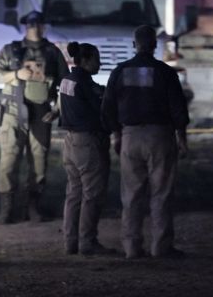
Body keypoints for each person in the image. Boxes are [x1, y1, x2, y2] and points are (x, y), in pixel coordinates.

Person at [102, 25, 190, 259]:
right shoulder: (165, 72)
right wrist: (182, 136)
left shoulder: (120, 71)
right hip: (160, 136)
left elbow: (108, 105)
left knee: (131, 194)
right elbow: (177, 106)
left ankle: (131, 247)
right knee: (161, 192)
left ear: (134, 45)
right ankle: (161, 246)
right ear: (154, 45)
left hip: (130, 136)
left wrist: (116, 134)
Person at [0, 10, 69, 224]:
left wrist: (58, 109)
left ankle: (33, 207)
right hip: (14, 111)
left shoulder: (52, 52)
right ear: (25, 26)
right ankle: (6, 209)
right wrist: (16, 74)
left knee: (39, 161)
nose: (35, 27)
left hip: (41, 112)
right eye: (31, 24)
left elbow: (66, 83)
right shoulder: (11, 50)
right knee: (9, 159)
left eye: (39, 23)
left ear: (44, 26)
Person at [58, 42, 116, 255]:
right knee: (92, 195)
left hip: (70, 142)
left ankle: (70, 242)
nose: (99, 63)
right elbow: (102, 106)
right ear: (85, 60)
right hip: (88, 143)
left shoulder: (66, 80)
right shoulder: (85, 83)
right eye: (96, 59)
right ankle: (87, 242)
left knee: (74, 194)